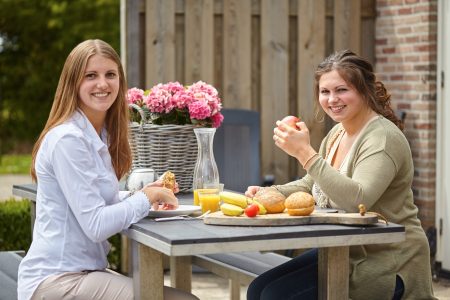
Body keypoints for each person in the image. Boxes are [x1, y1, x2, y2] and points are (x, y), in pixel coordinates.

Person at [245, 50, 436, 300]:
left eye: (342, 90)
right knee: (258, 289)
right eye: (325, 92)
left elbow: (358, 201)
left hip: (387, 257)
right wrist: (270, 193)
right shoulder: (337, 134)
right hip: (343, 249)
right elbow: (312, 184)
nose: (332, 99)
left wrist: (305, 153)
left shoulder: (382, 138)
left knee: (276, 296)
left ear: (364, 90)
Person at [17, 39, 198, 300]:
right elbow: (96, 224)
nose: (103, 84)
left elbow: (98, 201)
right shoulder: (68, 139)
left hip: (84, 271)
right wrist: (148, 198)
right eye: (91, 75)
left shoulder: (98, 134)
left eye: (110, 74)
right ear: (73, 83)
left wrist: (148, 192)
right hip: (56, 280)